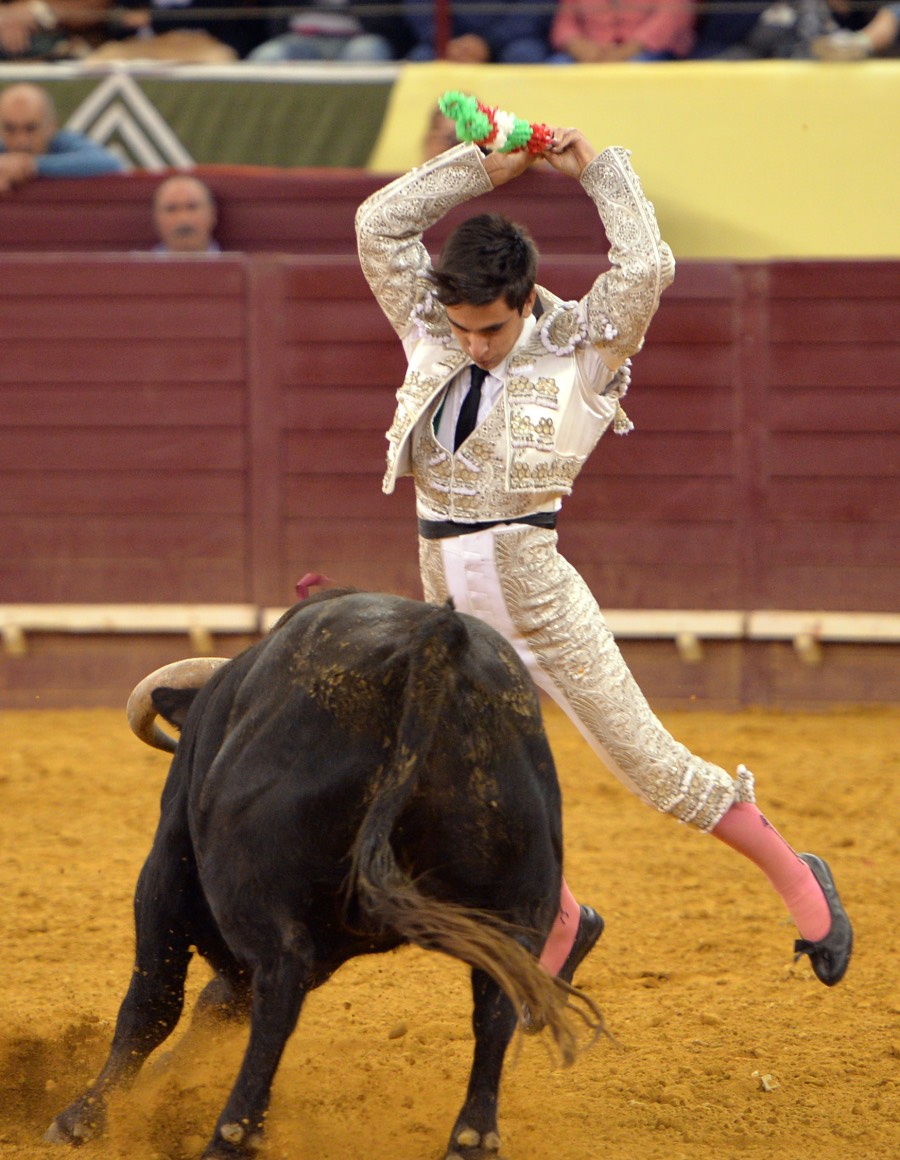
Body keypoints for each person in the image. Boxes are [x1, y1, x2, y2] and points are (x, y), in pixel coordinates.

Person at [355, 125, 853, 993]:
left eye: (492, 326)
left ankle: (798, 875)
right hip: (447, 600)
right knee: (451, 781)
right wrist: (482, 170)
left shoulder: (584, 348)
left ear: (525, 297)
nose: (473, 342)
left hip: (537, 595)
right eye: (464, 326)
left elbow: (648, 268)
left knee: (649, 767)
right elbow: (379, 228)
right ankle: (560, 918)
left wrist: (596, 172)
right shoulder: (433, 330)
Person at [0, 82, 125, 193]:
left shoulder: (63, 142)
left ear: (52, 126)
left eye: (31, 129)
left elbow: (109, 163)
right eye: (9, 129)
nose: (20, 141)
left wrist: (32, 166)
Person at [248, 0, 413, 63]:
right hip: (300, 39)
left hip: (358, 38)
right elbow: (277, 15)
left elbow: (389, 22)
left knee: (366, 52)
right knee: (266, 56)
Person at [403, 0, 552, 63]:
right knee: (421, 58)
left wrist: (488, 43)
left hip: (509, 41)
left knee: (524, 55)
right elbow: (420, 9)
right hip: (448, 42)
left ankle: (523, 125)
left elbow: (534, 9)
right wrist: (447, 42)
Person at [548, 0, 696, 61]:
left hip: (648, 51)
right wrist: (578, 46)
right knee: (556, 70)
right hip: (588, 54)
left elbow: (672, 15)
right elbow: (564, 22)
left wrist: (628, 50)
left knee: (637, 73)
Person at [0, 0, 110, 60]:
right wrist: (7, 15)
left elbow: (99, 10)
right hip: (14, 49)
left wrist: (39, 9)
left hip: (84, 52)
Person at [152, 173, 220, 254]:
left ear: (212, 213)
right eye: (171, 209)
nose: (183, 219)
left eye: (192, 207)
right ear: (156, 218)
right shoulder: (137, 266)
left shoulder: (237, 265)